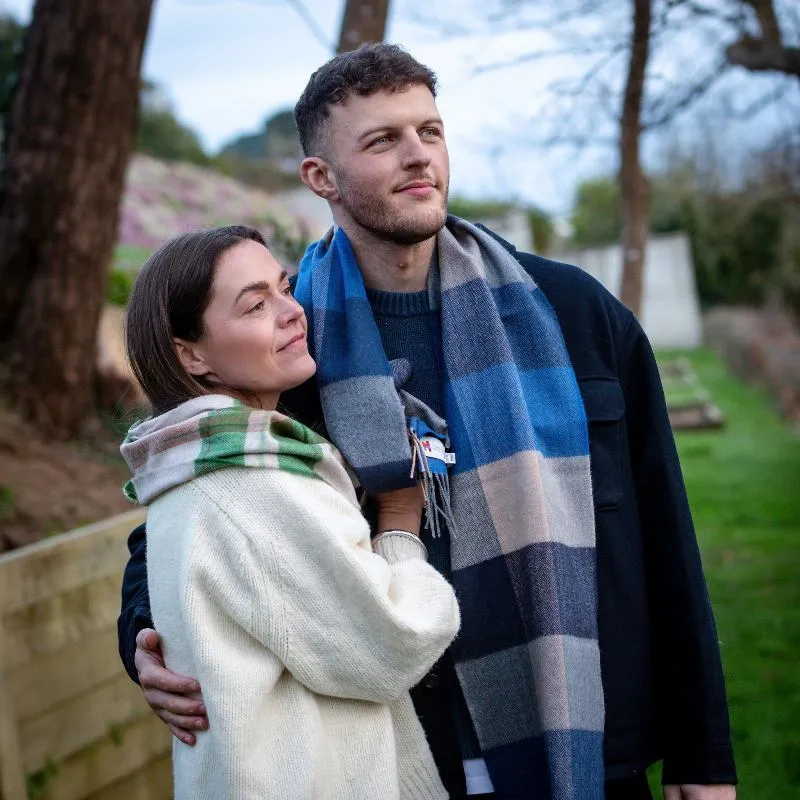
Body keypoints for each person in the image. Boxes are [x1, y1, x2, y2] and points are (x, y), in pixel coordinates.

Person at [118, 45, 737, 800]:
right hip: (406, 756)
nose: (419, 158)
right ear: (322, 179)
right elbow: (185, 517)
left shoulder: (573, 314)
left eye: (430, 132)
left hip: (592, 746)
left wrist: (704, 757)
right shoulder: (285, 353)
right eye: (382, 141)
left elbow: (666, 533)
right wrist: (144, 642)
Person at [119, 224, 460, 800]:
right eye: (256, 305)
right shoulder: (253, 484)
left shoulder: (198, 464)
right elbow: (391, 647)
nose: (292, 312)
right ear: (190, 354)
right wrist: (400, 524)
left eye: (283, 288)